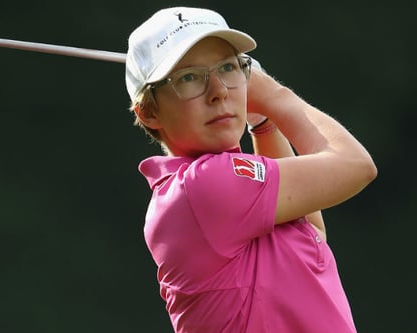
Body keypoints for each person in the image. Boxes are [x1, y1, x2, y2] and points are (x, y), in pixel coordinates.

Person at [125, 7, 377, 333]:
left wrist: (263, 123)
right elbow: (356, 166)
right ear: (148, 112)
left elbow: (310, 235)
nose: (218, 91)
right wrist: (275, 96)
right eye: (188, 78)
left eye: (227, 68)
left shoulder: (225, 188)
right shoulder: (202, 186)